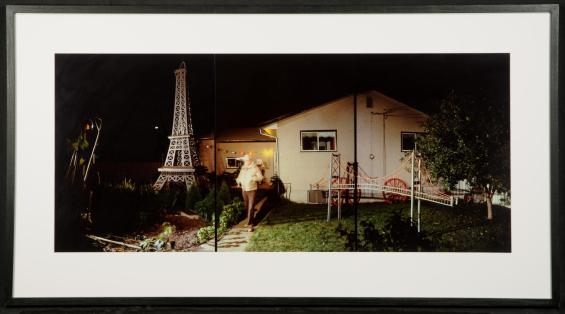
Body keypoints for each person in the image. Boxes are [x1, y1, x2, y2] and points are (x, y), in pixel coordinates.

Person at [235, 155, 263, 232]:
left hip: (252, 190)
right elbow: (240, 177)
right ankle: (249, 221)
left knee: (251, 207)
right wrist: (238, 180)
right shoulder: (243, 168)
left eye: (247, 160)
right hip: (244, 189)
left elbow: (260, 177)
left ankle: (250, 224)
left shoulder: (255, 168)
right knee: (247, 206)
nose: (245, 162)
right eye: (245, 161)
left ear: (250, 160)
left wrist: (253, 178)